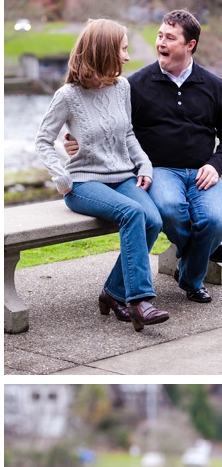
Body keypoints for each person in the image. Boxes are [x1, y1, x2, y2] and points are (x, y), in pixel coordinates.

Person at [66, 8, 222, 304]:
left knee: (214, 221)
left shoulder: (214, 85)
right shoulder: (135, 85)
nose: (161, 42)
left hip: (203, 171)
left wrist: (216, 164)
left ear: (190, 45)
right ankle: (206, 250)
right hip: (158, 170)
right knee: (170, 211)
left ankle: (188, 277)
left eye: (170, 38)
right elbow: (108, 125)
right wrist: (77, 140)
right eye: (160, 35)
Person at [35, 18, 169, 332]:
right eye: (122, 49)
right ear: (104, 51)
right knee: (133, 213)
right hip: (83, 182)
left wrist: (144, 164)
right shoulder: (68, 96)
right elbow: (43, 140)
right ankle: (139, 302)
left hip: (123, 176)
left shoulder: (122, 87)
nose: (126, 56)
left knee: (154, 219)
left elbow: (128, 134)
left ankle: (112, 292)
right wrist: (59, 176)